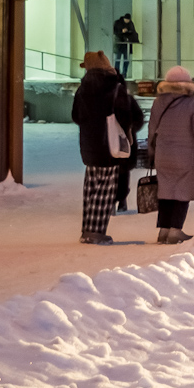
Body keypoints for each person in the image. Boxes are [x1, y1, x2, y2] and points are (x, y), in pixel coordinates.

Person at [71, 51, 141, 244]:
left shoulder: (82, 89)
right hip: (109, 146)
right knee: (105, 191)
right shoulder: (115, 87)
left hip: (89, 147)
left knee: (91, 189)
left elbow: (76, 117)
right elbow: (126, 116)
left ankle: (87, 230)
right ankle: (98, 232)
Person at [146, 66, 194, 244]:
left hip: (163, 155)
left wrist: (151, 151)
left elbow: (152, 129)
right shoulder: (192, 103)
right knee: (181, 192)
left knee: (166, 191)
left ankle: (163, 230)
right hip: (186, 156)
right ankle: (175, 231)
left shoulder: (158, 102)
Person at [112, 13, 139, 78]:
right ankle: (117, 73)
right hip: (119, 44)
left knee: (126, 59)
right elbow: (115, 32)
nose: (127, 21)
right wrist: (122, 31)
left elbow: (133, 32)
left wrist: (128, 32)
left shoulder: (130, 24)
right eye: (126, 20)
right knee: (118, 59)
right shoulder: (118, 23)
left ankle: (124, 73)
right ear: (124, 18)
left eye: (128, 20)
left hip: (127, 44)